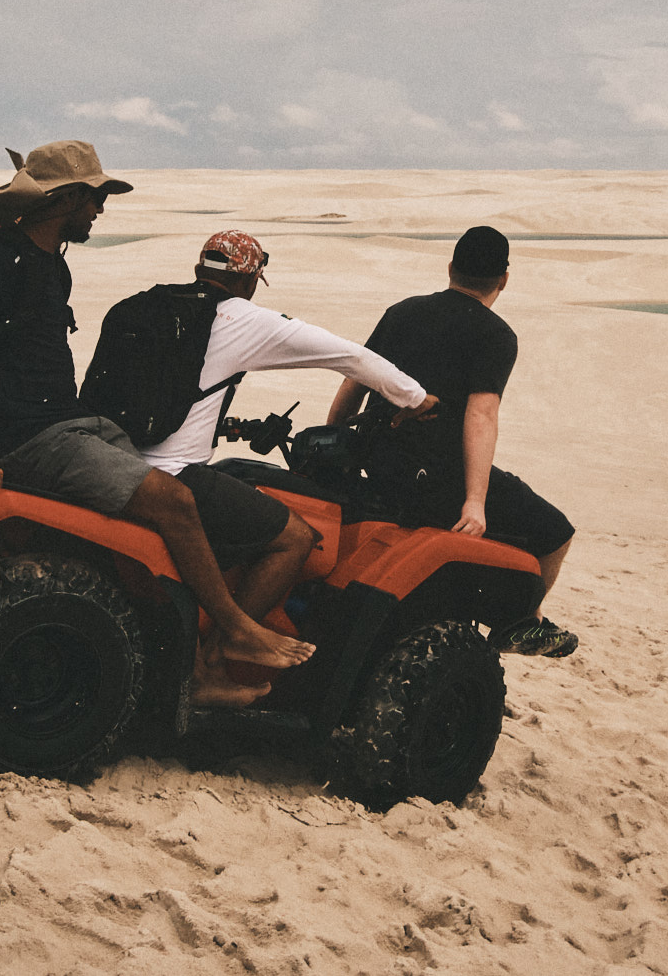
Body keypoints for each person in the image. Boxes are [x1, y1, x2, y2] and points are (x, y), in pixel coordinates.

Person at [0, 141, 314, 704]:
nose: (100, 212)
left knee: (177, 489)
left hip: (64, 422)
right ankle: (233, 633)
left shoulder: (46, 265)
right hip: (29, 437)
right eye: (95, 199)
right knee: (175, 502)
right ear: (69, 198)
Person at [115, 231, 441, 673]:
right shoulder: (244, 319)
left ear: (198, 271)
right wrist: (416, 398)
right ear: (250, 279)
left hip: (112, 460)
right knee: (296, 537)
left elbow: (164, 392)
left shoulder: (146, 306)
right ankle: (223, 653)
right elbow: (349, 357)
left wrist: (229, 425)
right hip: (172, 475)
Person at [327, 225, 579, 657]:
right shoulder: (496, 334)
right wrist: (475, 501)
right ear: (504, 278)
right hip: (438, 476)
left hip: (379, 459)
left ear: (450, 268)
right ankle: (523, 622)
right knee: (555, 531)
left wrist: (334, 441)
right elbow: (481, 416)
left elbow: (355, 381)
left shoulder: (401, 311)